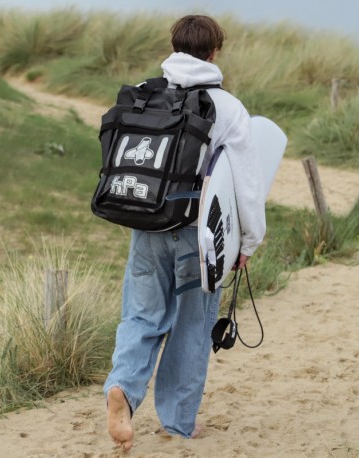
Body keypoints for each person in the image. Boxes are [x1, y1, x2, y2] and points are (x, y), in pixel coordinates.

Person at [104, 14, 266, 451]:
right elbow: (246, 189)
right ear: (215, 52)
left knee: (141, 316)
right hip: (200, 238)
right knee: (192, 327)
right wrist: (247, 244)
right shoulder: (228, 108)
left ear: (173, 46)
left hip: (148, 226)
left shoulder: (143, 92)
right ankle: (176, 424)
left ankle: (122, 387)